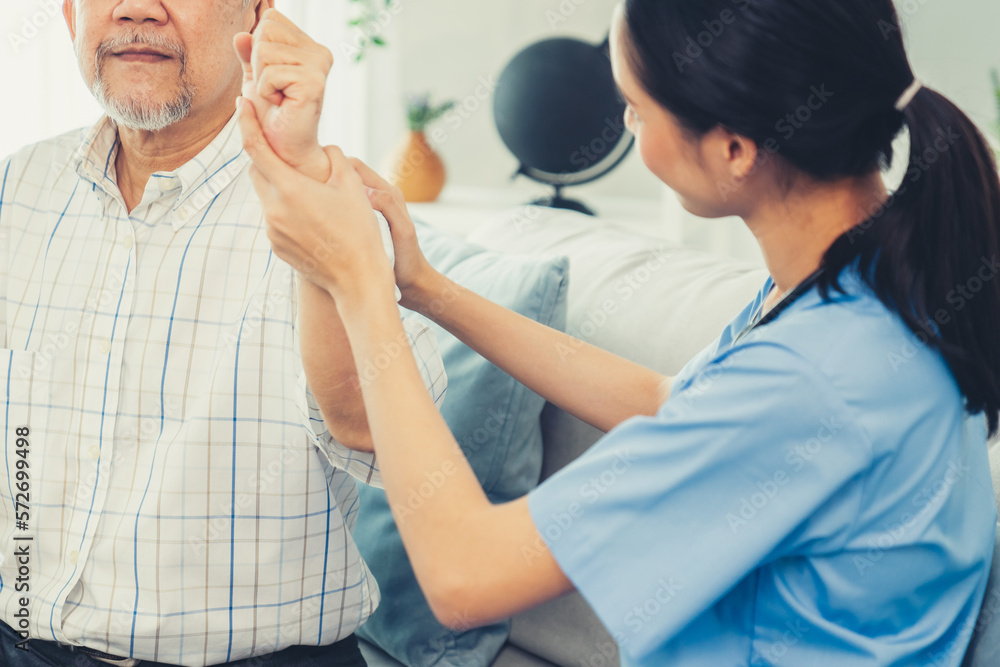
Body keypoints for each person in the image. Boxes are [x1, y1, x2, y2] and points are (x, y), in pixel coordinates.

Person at [237, 0, 1000, 664]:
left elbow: (465, 575)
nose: (628, 126)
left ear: (733, 147)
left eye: (636, 107)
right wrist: (423, 289)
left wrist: (359, 285)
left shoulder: (813, 380)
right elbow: (669, 399)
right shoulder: (859, 286)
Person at [0, 2, 445, 666]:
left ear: (260, 15)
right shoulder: (17, 186)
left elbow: (377, 433)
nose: (135, 7)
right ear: (69, 14)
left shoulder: (329, 201)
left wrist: (299, 174)